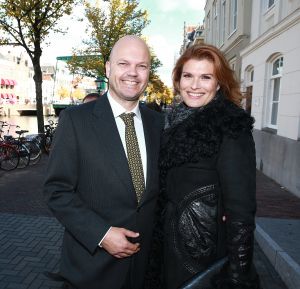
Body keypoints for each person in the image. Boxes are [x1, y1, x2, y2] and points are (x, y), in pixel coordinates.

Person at [44, 35, 164, 289]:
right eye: (124, 63)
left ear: (148, 73)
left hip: (146, 271)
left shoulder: (158, 124)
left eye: (141, 66)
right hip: (92, 271)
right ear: (108, 68)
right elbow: (57, 191)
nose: (133, 73)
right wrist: (101, 234)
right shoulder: (76, 120)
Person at [146, 44, 260, 289]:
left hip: (201, 255)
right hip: (165, 248)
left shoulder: (230, 127)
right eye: (188, 76)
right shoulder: (172, 123)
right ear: (178, 81)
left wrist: (238, 275)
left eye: (205, 77)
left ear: (218, 84)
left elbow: (241, 210)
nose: (194, 85)